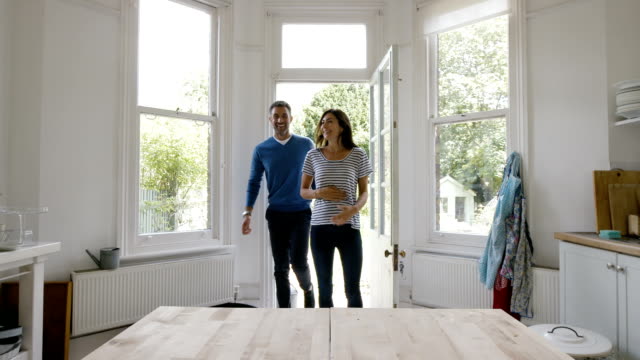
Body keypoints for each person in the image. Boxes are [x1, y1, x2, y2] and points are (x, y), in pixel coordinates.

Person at [242, 100, 315, 308]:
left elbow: (316, 177)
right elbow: (253, 182)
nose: (280, 120)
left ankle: (308, 289)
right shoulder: (262, 149)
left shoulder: (306, 144)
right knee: (280, 268)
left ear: (291, 119)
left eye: (284, 116)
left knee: (299, 263)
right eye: (276, 116)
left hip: (301, 214)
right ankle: (284, 314)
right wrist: (247, 213)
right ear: (270, 119)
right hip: (276, 215)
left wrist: (322, 200)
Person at [300, 109, 372, 308]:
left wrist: (354, 209)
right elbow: (303, 191)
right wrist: (319, 192)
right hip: (320, 229)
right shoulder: (313, 155)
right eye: (322, 122)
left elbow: (364, 192)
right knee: (325, 288)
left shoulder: (358, 154)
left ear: (342, 126)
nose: (324, 126)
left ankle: (354, 333)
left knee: (352, 289)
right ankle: (326, 336)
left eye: (329, 122)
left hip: (349, 228)